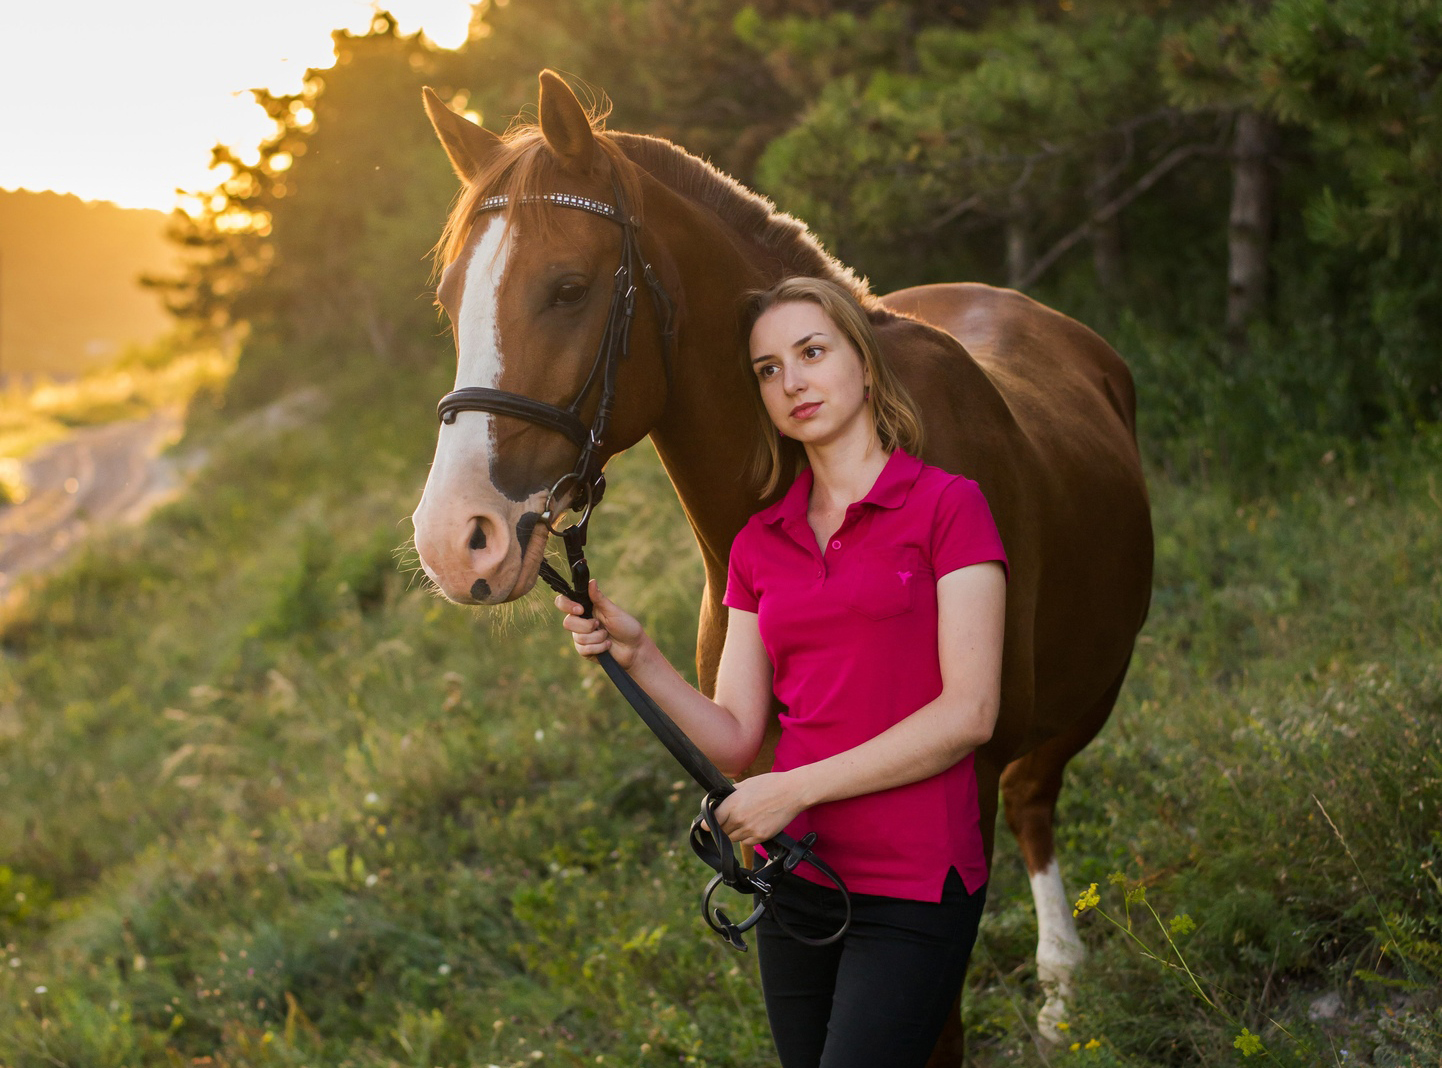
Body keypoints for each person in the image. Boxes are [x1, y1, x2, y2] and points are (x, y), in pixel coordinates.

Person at [554, 276, 1008, 1068]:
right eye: (767, 369)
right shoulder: (759, 544)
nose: (791, 381)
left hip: (915, 882)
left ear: (863, 366)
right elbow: (734, 739)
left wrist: (793, 788)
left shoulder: (948, 507)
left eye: (810, 352)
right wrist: (641, 654)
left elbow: (969, 713)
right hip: (798, 878)